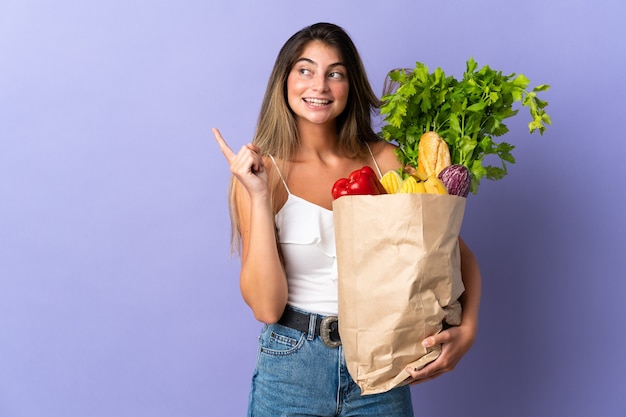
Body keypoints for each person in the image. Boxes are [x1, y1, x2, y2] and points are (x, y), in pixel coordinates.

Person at [213, 22, 482, 417]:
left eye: (334, 73)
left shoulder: (385, 161)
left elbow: (455, 254)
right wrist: (255, 195)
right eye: (305, 70)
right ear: (284, 80)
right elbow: (267, 308)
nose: (319, 86)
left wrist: (468, 331)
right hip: (291, 369)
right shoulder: (262, 172)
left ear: (350, 85)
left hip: (381, 365)